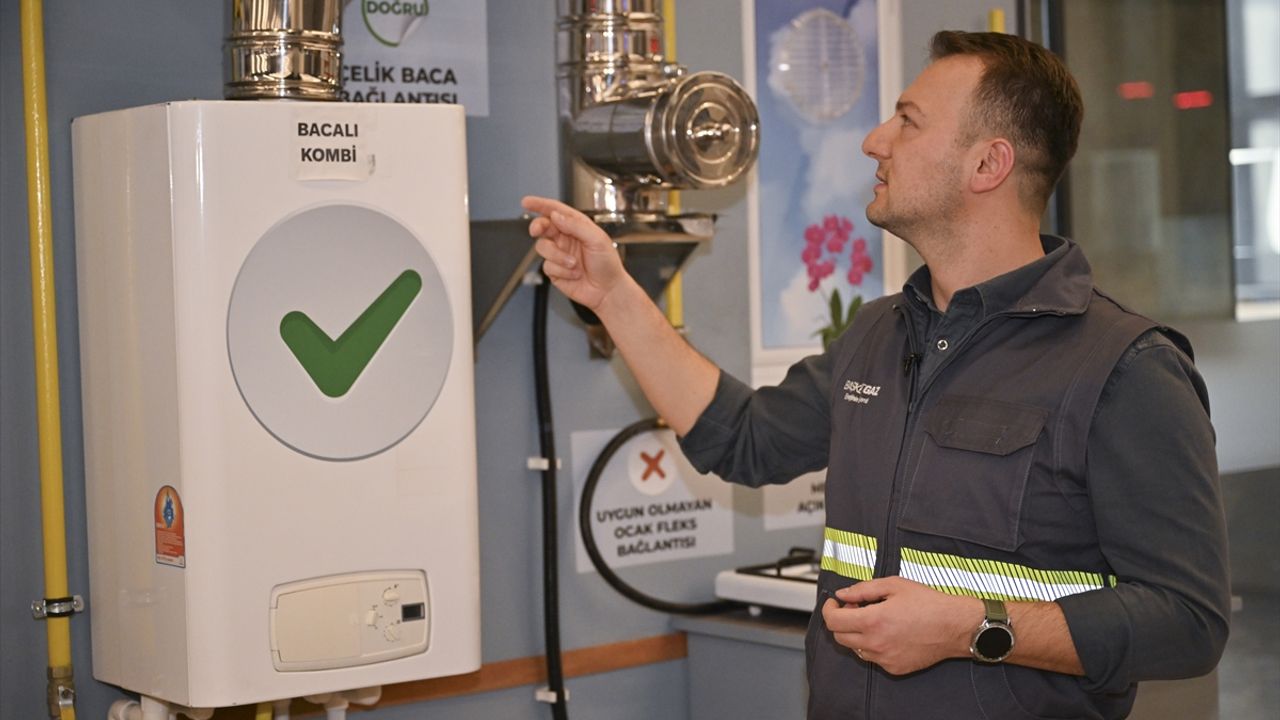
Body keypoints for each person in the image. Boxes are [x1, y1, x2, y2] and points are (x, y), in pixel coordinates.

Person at [523, 30, 1229, 720]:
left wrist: (972, 627)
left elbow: (1187, 622)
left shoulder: (1125, 366)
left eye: (908, 121)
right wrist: (614, 296)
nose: (874, 141)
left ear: (988, 164)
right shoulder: (877, 334)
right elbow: (743, 439)